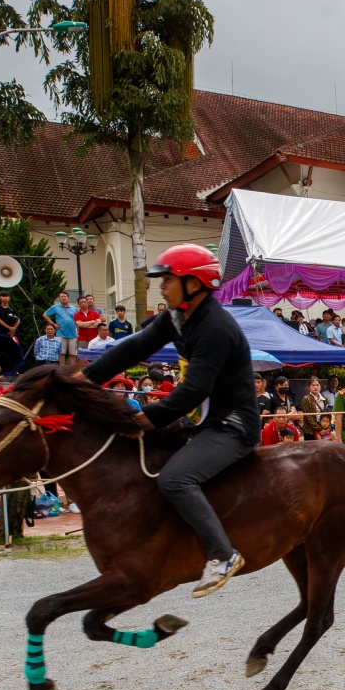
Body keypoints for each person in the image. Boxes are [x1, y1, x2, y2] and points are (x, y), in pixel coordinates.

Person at [83, 243, 258, 598]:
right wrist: (85, 379)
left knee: (176, 479)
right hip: (205, 421)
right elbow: (133, 348)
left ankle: (223, 555)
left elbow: (193, 390)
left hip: (232, 426)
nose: (161, 287)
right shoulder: (178, 317)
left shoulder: (215, 327)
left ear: (193, 284)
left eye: (167, 280)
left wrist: (145, 418)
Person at [43, 291, 80, 364]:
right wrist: (53, 324)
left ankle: (72, 370)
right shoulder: (55, 307)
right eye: (61, 296)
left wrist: (79, 332)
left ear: (68, 298)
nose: (63, 298)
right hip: (60, 333)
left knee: (73, 353)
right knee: (61, 353)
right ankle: (62, 370)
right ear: (59, 298)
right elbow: (45, 314)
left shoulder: (74, 308)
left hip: (73, 333)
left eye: (65, 296)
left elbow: (77, 321)